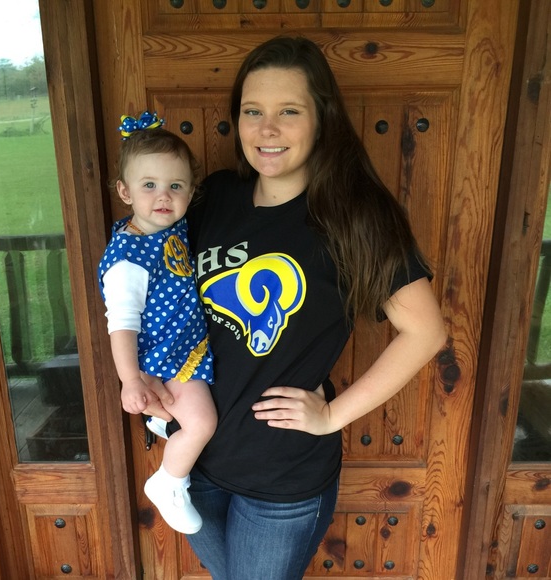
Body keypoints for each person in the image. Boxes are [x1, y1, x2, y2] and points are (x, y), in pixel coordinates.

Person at [166, 36, 446, 579]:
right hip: (193, 462)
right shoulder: (214, 197)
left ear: (322, 120)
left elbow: (425, 332)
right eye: (253, 111)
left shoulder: (353, 216)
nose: (266, 129)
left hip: (282, 482)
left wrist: (333, 416)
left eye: (288, 112)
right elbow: (165, 287)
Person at [97, 112, 216, 535]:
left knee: (194, 419)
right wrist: (131, 379)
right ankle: (168, 483)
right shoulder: (128, 260)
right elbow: (121, 325)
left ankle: (163, 423)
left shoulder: (168, 226)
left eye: (176, 186)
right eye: (149, 185)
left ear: (190, 192)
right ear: (124, 191)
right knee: (202, 423)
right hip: (166, 360)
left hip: (183, 349)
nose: (163, 196)